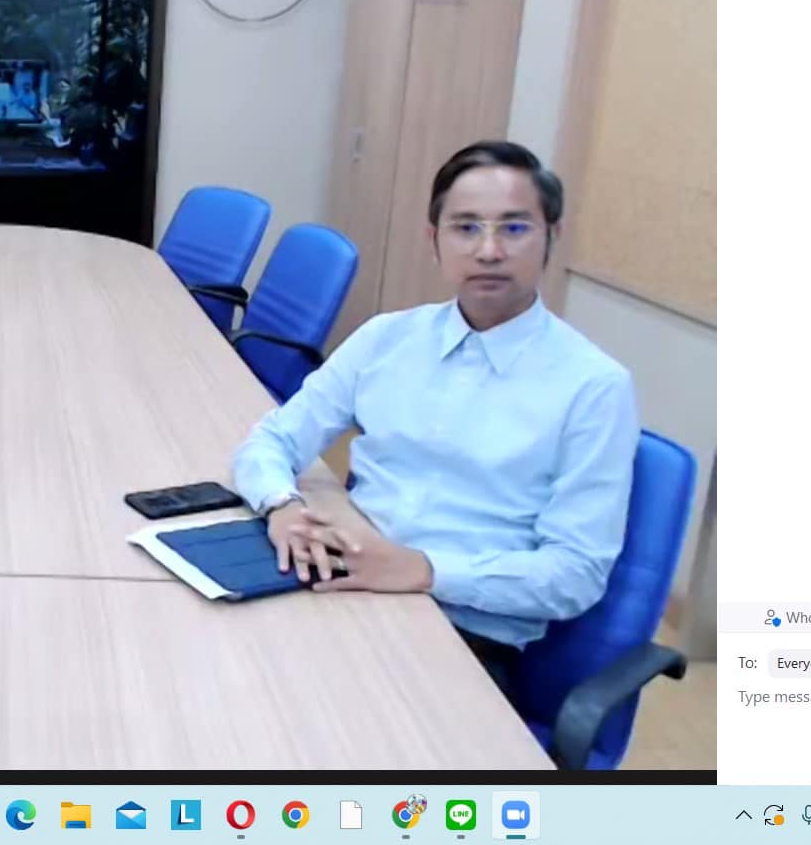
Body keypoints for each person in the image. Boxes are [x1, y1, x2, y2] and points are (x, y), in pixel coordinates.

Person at [229, 140, 639, 701]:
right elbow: (273, 438)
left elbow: (575, 574)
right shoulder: (387, 339)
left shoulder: (594, 387)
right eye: (466, 228)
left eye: (514, 228)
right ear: (434, 240)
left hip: (462, 634)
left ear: (551, 236)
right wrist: (281, 506)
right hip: (340, 580)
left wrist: (423, 569)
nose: (489, 250)